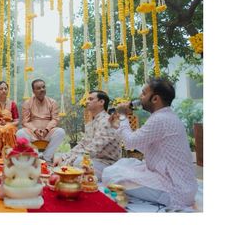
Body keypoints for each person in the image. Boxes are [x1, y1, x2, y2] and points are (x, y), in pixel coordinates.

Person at [103, 77, 198, 210]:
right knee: (124, 163)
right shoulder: (164, 116)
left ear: (155, 99)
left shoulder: (160, 119)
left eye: (143, 93)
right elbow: (143, 146)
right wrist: (117, 126)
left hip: (174, 188)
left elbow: (130, 143)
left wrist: (123, 116)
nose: (140, 97)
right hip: (178, 182)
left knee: (110, 174)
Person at [61, 90, 121, 178]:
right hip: (94, 160)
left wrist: (69, 159)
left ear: (101, 102)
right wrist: (64, 157)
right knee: (67, 159)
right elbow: (83, 144)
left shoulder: (106, 121)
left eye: (90, 99)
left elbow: (93, 149)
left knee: (78, 161)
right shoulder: (92, 122)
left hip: (106, 164)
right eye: (87, 99)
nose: (87, 101)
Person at [16, 79, 65, 163]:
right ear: (33, 91)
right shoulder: (27, 103)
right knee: (20, 133)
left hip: (48, 132)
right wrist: (35, 130)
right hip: (33, 133)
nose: (42, 90)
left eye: (43, 87)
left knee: (61, 132)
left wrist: (47, 129)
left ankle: (46, 157)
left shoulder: (52, 102)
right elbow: (25, 121)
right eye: (38, 88)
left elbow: (55, 119)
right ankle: (35, 156)